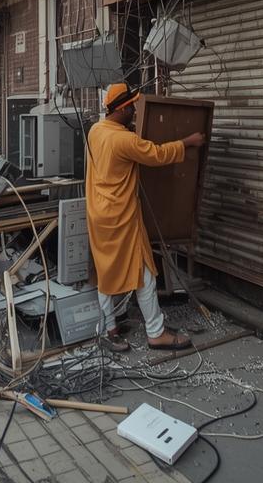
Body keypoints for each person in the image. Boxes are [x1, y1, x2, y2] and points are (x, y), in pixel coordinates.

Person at [86, 82, 205, 352]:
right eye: (132, 108)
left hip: (99, 214)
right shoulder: (124, 140)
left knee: (105, 272)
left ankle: (110, 329)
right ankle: (156, 333)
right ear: (122, 109)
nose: (135, 112)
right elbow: (157, 154)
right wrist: (187, 142)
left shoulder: (96, 130)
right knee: (144, 273)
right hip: (121, 217)